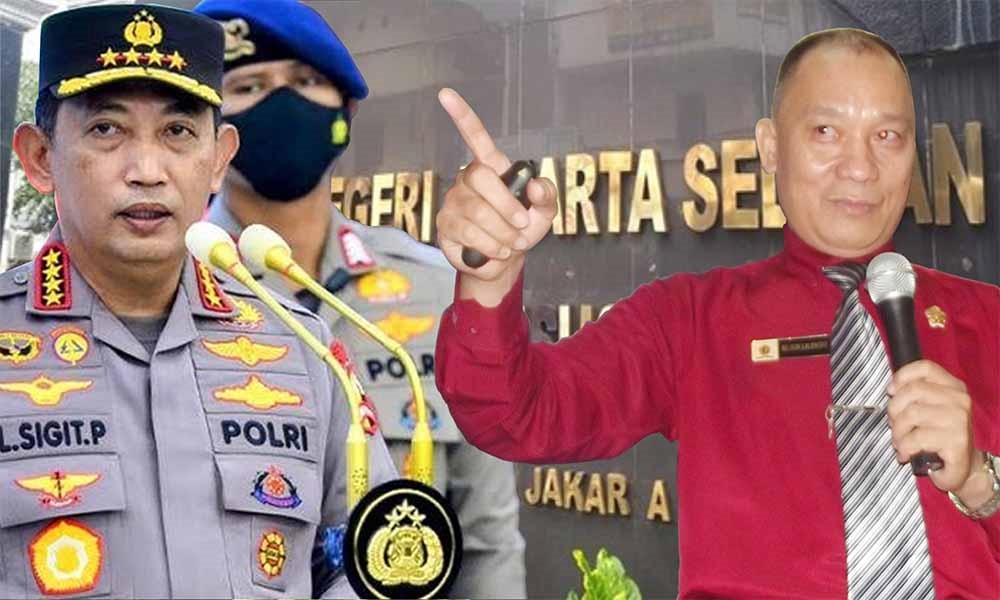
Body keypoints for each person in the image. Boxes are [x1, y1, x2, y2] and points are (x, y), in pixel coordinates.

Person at [434, 27, 1000, 598]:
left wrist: (980, 481)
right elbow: (517, 414)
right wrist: (490, 277)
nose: (860, 167)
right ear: (771, 146)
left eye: (887, 136)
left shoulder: (988, 320)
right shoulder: (689, 321)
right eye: (826, 132)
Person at [4, 4, 396, 598]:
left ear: (217, 161)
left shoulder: (302, 348)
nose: (147, 170)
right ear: (40, 158)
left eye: (178, 132)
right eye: (106, 129)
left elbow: (377, 559)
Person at [192, 1, 526, 597]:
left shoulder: (434, 289)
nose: (282, 102)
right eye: (248, 86)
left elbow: (487, 541)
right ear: (213, 133)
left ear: (345, 113)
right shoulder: (171, 283)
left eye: (305, 82)